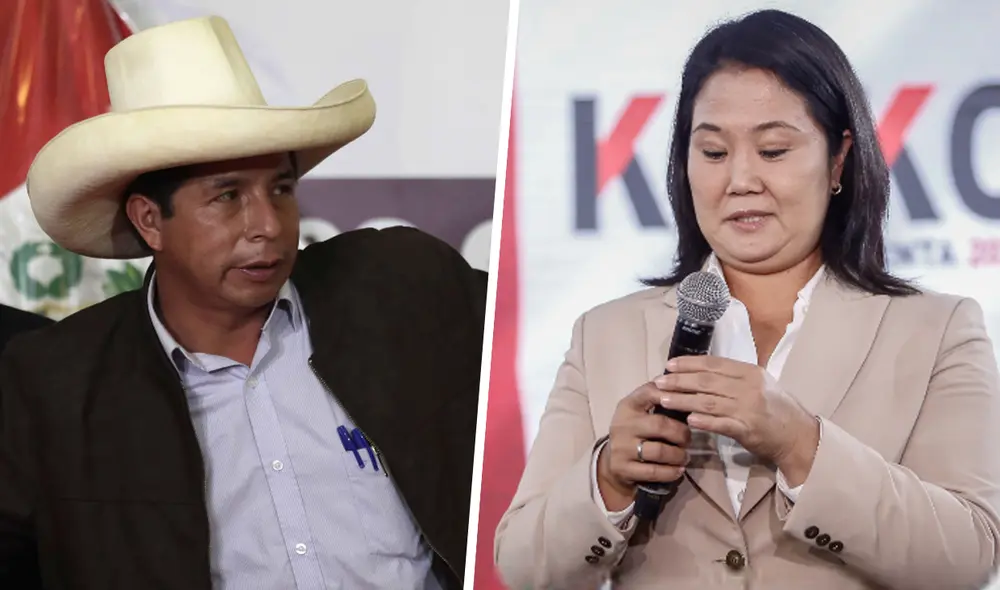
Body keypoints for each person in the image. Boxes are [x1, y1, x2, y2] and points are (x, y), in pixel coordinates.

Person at [494, 9, 1000, 590]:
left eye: (773, 150)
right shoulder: (605, 335)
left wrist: (801, 444)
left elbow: (969, 557)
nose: (740, 180)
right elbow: (523, 566)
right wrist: (607, 479)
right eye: (713, 153)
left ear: (838, 158)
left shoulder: (937, 330)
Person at [0, 16, 486, 590]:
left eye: (281, 189)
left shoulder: (403, 288)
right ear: (149, 220)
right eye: (227, 196)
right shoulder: (55, 384)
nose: (268, 225)